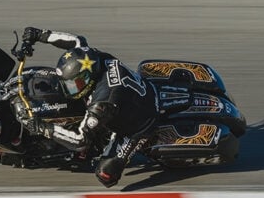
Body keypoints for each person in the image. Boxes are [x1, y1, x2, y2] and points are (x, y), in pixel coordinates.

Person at [19, 26, 159, 188]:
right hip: (131, 96)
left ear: (88, 78)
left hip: (139, 124)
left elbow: (80, 141)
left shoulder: (102, 103)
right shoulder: (90, 57)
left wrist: (44, 128)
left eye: (74, 84)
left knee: (106, 175)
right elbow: (75, 41)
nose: (69, 89)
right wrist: (40, 35)